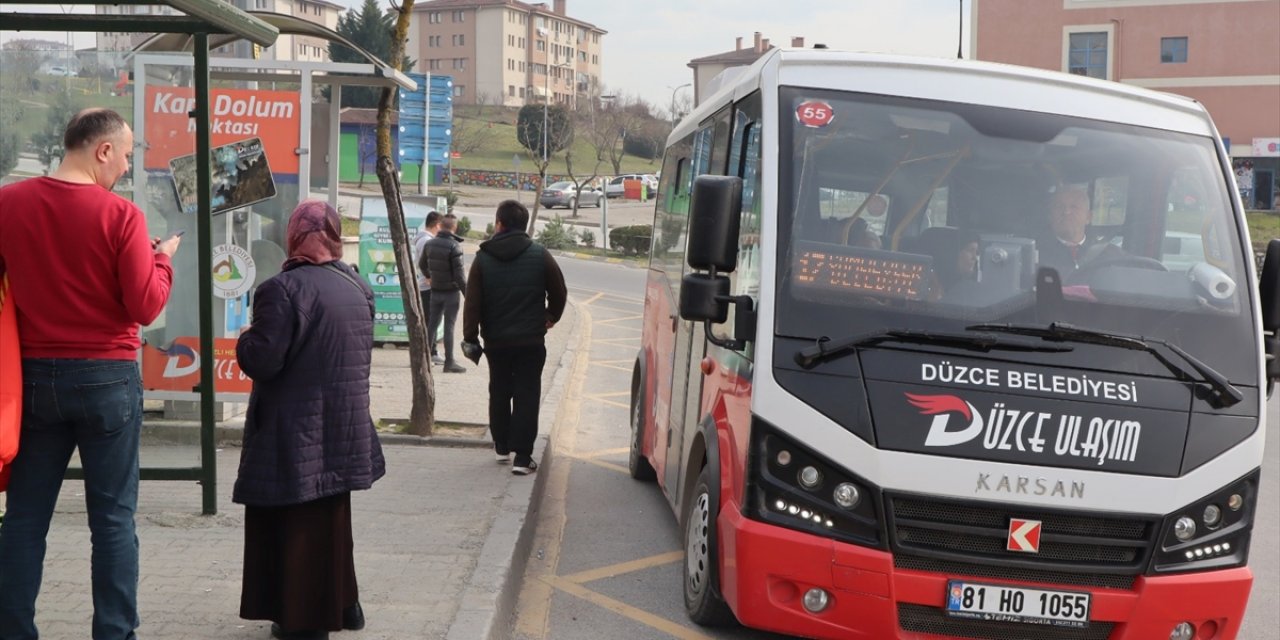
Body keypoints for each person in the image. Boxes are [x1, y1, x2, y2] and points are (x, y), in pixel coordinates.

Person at [0, 108, 180, 640]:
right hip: (107, 378)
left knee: (25, 519)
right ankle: (114, 632)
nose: (125, 167)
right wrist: (163, 260)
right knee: (113, 521)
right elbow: (145, 306)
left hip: (33, 378)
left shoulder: (8, 203)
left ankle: (12, 630)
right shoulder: (121, 216)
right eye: (124, 155)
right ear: (102, 150)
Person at [233, 200, 385, 640]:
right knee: (332, 518)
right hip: (344, 425)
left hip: (296, 430)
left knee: (297, 523)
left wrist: (246, 340)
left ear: (295, 234)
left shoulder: (282, 289)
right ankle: (345, 604)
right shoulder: (355, 284)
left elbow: (264, 361)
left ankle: (304, 622)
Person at [462, 200, 567, 474]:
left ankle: (501, 446)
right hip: (531, 340)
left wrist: (470, 337)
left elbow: (472, 303)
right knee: (527, 393)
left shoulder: (482, 259)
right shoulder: (539, 254)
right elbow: (559, 291)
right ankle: (522, 457)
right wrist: (550, 316)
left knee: (499, 390)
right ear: (523, 225)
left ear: (499, 224)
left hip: (496, 342)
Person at [421, 214, 468, 374]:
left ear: (441, 226)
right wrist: (469, 295)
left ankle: (424, 361)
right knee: (449, 326)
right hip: (451, 293)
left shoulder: (430, 244)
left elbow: (421, 264)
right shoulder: (454, 246)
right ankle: (449, 362)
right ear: (454, 228)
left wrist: (430, 276)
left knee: (432, 325)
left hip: (435, 291)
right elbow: (460, 276)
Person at [1036, 185, 1117, 276]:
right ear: (1050, 216)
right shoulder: (1034, 254)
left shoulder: (1109, 254)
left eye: (1074, 207)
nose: (1066, 212)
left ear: (1088, 217)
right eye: (1059, 206)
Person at [413, 211, 443, 364]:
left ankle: (431, 351)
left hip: (427, 285)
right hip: (427, 286)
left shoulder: (425, 239)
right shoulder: (426, 241)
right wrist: (431, 278)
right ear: (437, 225)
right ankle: (428, 353)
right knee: (430, 322)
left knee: (432, 321)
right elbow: (426, 264)